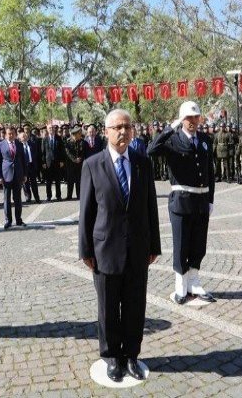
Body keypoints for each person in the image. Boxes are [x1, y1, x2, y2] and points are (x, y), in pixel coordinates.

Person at [79, 109, 160, 383]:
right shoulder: (92, 165)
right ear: (106, 131)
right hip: (105, 250)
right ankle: (112, 356)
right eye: (117, 127)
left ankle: (131, 355)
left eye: (127, 126)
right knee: (108, 307)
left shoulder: (142, 162)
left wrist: (155, 245)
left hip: (137, 248)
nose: (123, 131)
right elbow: (86, 213)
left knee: (136, 305)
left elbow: (151, 206)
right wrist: (85, 250)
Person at [147, 101, 215, 305]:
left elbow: (210, 171)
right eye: (188, 118)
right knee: (181, 245)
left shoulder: (204, 139)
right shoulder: (172, 140)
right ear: (182, 119)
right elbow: (151, 150)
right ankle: (180, 285)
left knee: (198, 244)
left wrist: (210, 199)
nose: (193, 121)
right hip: (181, 200)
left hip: (201, 200)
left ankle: (194, 281)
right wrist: (169, 128)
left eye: (196, 117)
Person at [0, 126, 26, 229]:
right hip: (6, 175)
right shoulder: (0, 145)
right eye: (9, 134)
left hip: (18, 175)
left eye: (13, 133)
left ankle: (19, 220)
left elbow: (23, 160)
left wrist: (25, 174)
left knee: (18, 198)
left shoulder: (19, 144)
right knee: (7, 199)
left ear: (15, 134)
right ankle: (8, 220)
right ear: (5, 134)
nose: (11, 135)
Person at [41, 124, 65, 201]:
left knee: (58, 180)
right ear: (47, 130)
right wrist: (43, 162)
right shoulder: (45, 139)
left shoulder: (59, 138)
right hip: (48, 163)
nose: (51, 129)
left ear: (55, 129)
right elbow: (43, 152)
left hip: (57, 162)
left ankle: (58, 196)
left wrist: (62, 161)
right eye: (49, 128)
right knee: (48, 181)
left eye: (52, 128)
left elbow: (62, 151)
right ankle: (49, 196)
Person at [19, 130, 40, 203]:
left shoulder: (32, 144)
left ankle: (37, 198)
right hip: (24, 167)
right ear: (20, 139)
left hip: (32, 166)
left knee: (34, 183)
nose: (24, 138)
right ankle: (28, 197)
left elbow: (36, 155)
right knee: (25, 183)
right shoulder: (19, 146)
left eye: (25, 136)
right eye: (22, 137)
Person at [64, 126, 85, 200]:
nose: (80, 134)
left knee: (79, 180)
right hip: (71, 164)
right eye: (79, 133)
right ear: (75, 134)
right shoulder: (68, 142)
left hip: (79, 164)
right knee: (70, 181)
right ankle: (69, 195)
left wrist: (80, 158)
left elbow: (83, 152)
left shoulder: (82, 141)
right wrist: (74, 159)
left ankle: (79, 195)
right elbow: (68, 153)